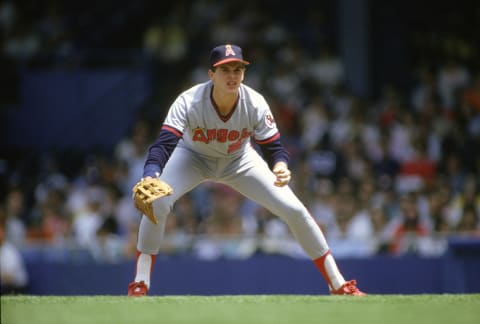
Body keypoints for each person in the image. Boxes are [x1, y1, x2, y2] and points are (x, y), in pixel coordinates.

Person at [127, 44, 366, 296]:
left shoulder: (254, 102)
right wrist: (150, 173)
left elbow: (274, 148)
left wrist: (280, 166)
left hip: (239, 160)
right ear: (211, 75)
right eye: (225, 70)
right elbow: (163, 145)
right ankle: (141, 283)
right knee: (157, 202)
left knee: (295, 209)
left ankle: (338, 284)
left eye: (238, 69)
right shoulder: (189, 101)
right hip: (192, 157)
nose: (232, 75)